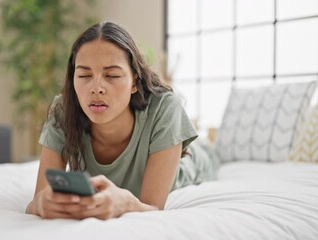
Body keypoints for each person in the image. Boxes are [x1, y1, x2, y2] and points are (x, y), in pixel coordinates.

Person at [25, 21, 218, 220]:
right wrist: (41, 203)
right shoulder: (63, 110)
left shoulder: (165, 107)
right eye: (84, 75)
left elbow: (153, 208)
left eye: (112, 75)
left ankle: (211, 142)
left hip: (191, 161)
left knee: (205, 151)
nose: (96, 88)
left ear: (135, 81)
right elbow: (38, 200)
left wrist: (126, 202)